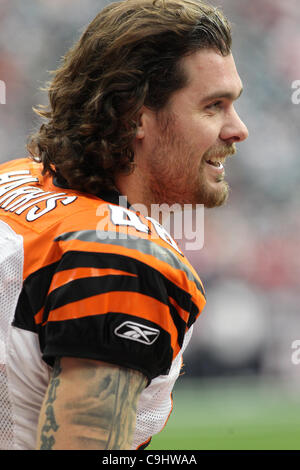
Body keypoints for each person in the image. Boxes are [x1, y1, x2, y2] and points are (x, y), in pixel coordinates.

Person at [0, 0, 248, 450]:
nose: (237, 129)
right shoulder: (120, 256)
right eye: (214, 106)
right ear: (135, 115)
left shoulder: (14, 176)